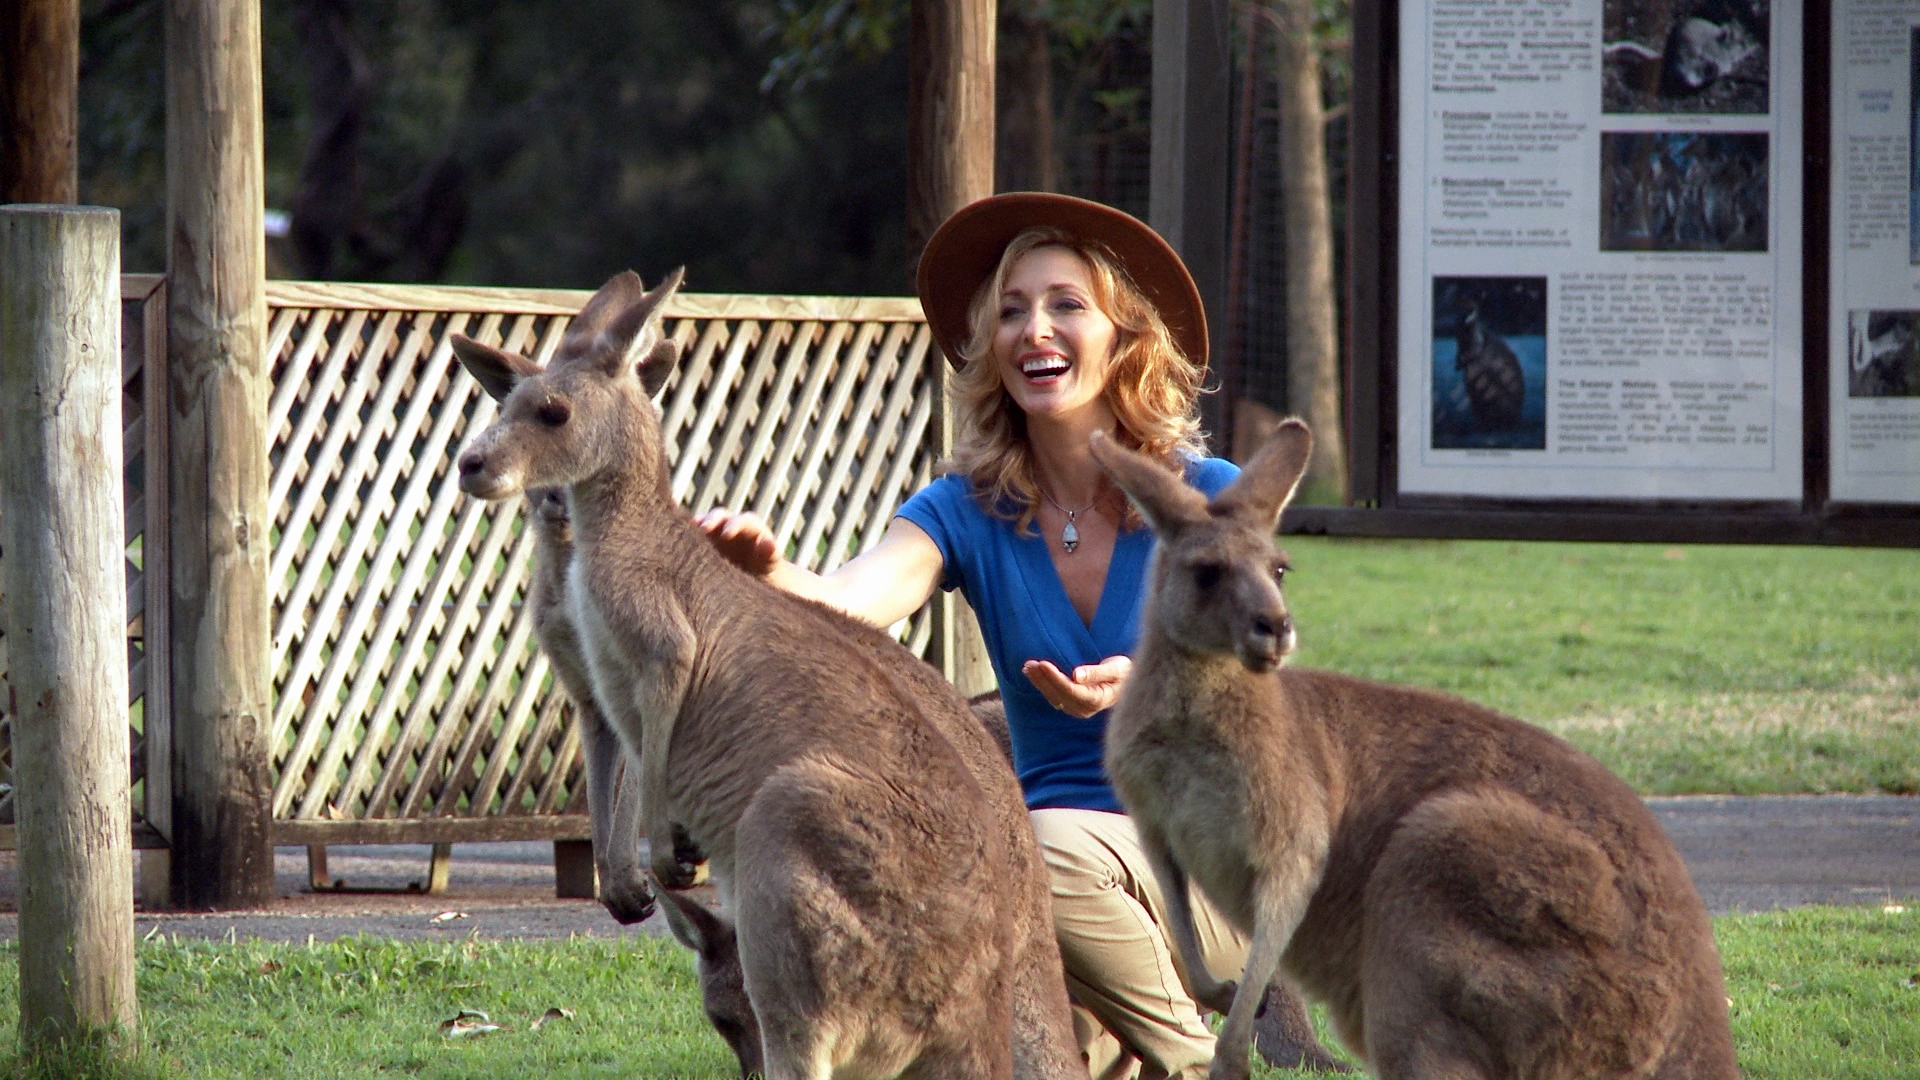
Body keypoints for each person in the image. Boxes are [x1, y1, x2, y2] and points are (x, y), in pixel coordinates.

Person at [699, 193, 1336, 1080]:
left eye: (1067, 304)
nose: (1036, 329)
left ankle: (1195, 1058)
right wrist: (768, 572)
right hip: (1044, 905)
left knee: (1040, 854)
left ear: (1125, 333)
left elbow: (1270, 668)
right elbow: (857, 597)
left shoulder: (1210, 492)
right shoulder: (964, 508)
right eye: (1011, 310)